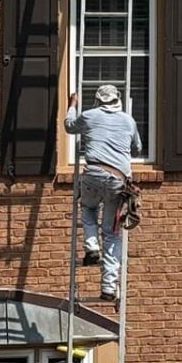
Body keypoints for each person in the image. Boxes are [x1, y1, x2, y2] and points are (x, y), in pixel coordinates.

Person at [64, 83, 143, 302]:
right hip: (118, 180)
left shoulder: (89, 116)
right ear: (117, 99)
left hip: (94, 174)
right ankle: (109, 287)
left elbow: (69, 126)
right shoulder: (129, 120)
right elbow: (137, 149)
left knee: (88, 208)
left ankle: (91, 246)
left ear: (98, 100)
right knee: (111, 232)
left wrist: (73, 104)